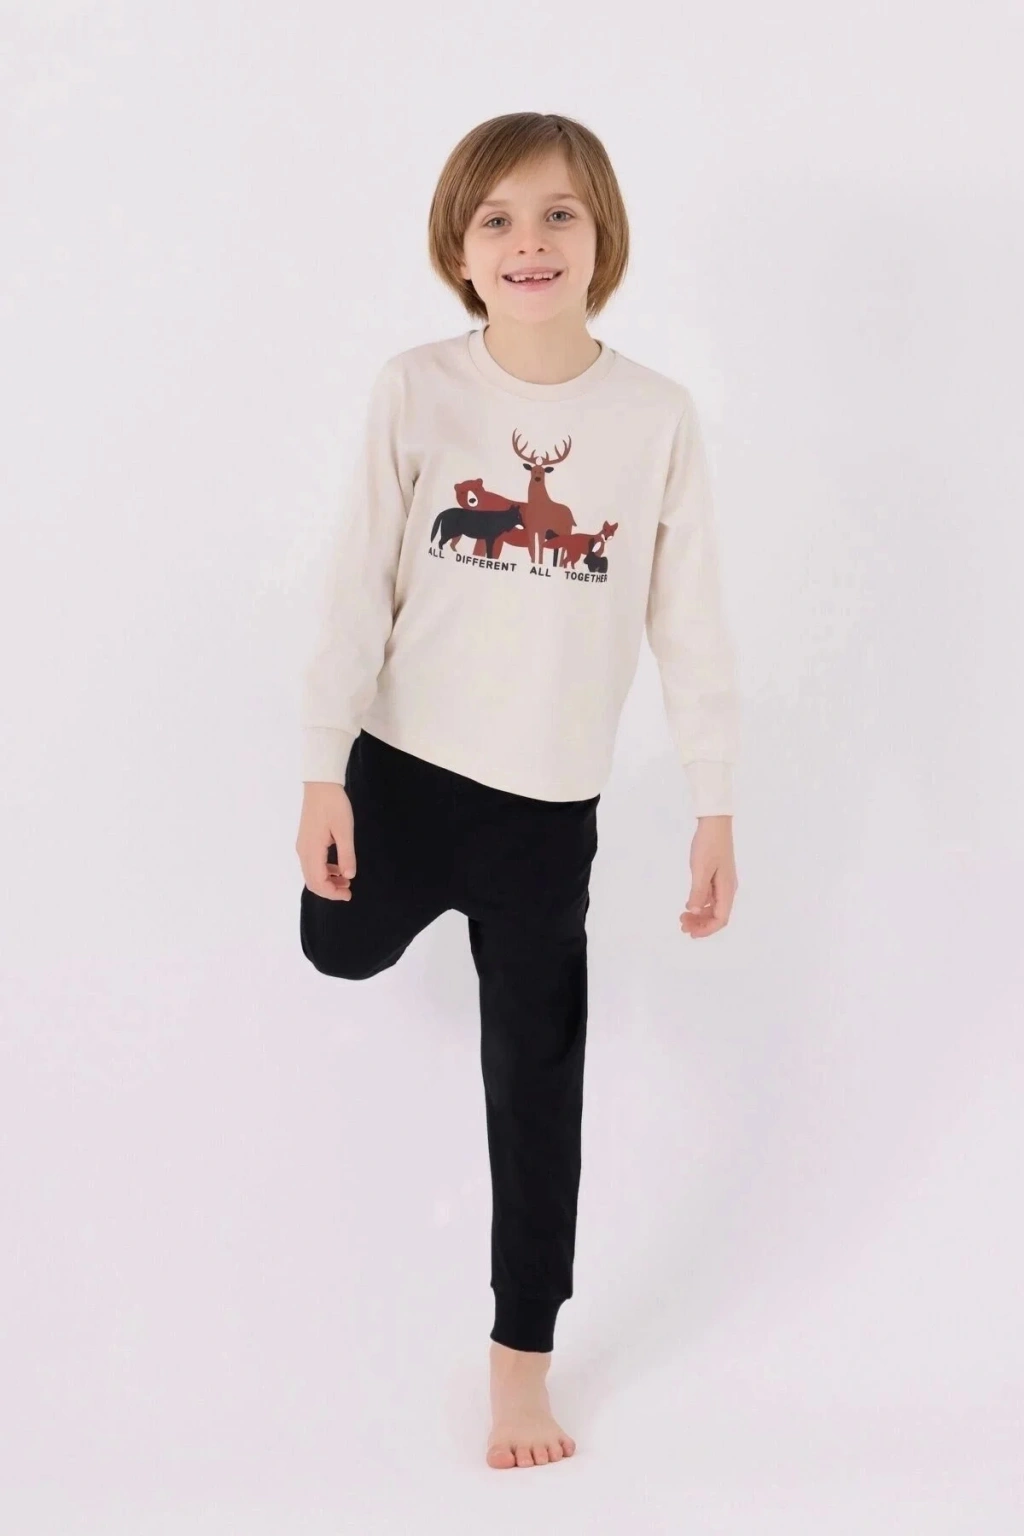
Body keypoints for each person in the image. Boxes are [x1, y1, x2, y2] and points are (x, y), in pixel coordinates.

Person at [295, 111, 741, 1470]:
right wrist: (324, 768)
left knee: (536, 1087)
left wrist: (716, 803)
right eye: (496, 219)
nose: (529, 241)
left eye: (558, 214)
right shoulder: (417, 390)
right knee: (335, 948)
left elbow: (691, 623)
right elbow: (355, 583)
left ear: (603, 238)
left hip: (547, 814)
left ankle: (519, 1364)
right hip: (406, 773)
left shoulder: (653, 418)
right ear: (459, 248)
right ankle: (405, 893)